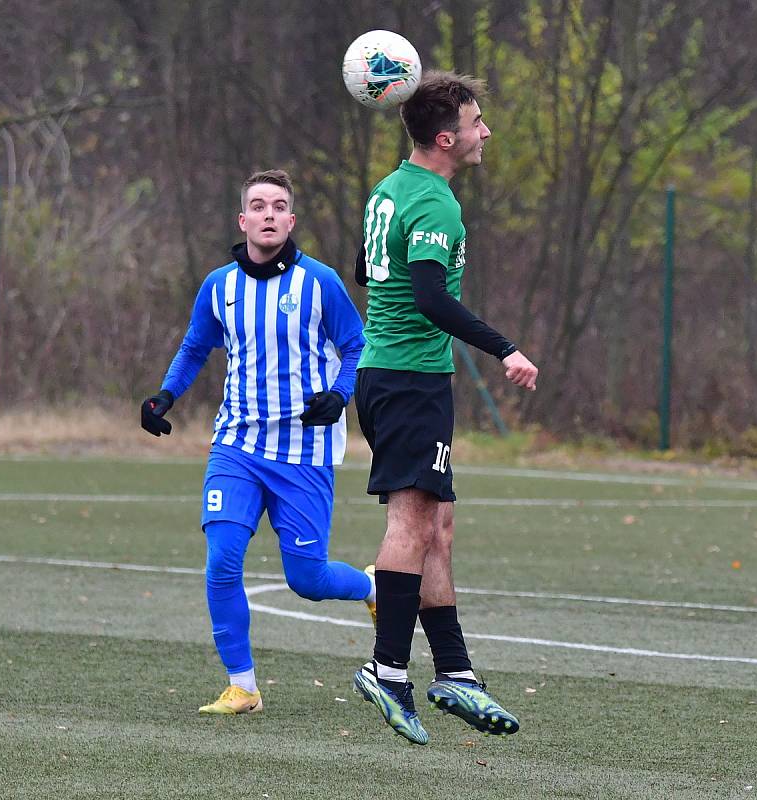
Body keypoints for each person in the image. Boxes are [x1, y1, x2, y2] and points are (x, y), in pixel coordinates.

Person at [141, 169, 375, 715]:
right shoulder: (219, 285)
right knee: (222, 560)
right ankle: (242, 686)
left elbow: (356, 344)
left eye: (278, 206)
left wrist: (341, 397)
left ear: (291, 221)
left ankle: (370, 586)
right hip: (237, 445)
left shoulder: (320, 282)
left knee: (308, 580)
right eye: (257, 206)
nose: (268, 214)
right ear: (242, 220)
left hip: (303, 451)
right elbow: (196, 346)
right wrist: (165, 395)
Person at [351, 72, 538, 745]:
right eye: (477, 121)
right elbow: (429, 297)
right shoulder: (435, 204)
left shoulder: (389, 191)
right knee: (411, 524)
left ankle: (454, 668)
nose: (485, 132)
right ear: (445, 137)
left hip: (393, 374)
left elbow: (366, 270)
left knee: (439, 525)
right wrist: (504, 347)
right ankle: (389, 670)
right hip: (408, 381)